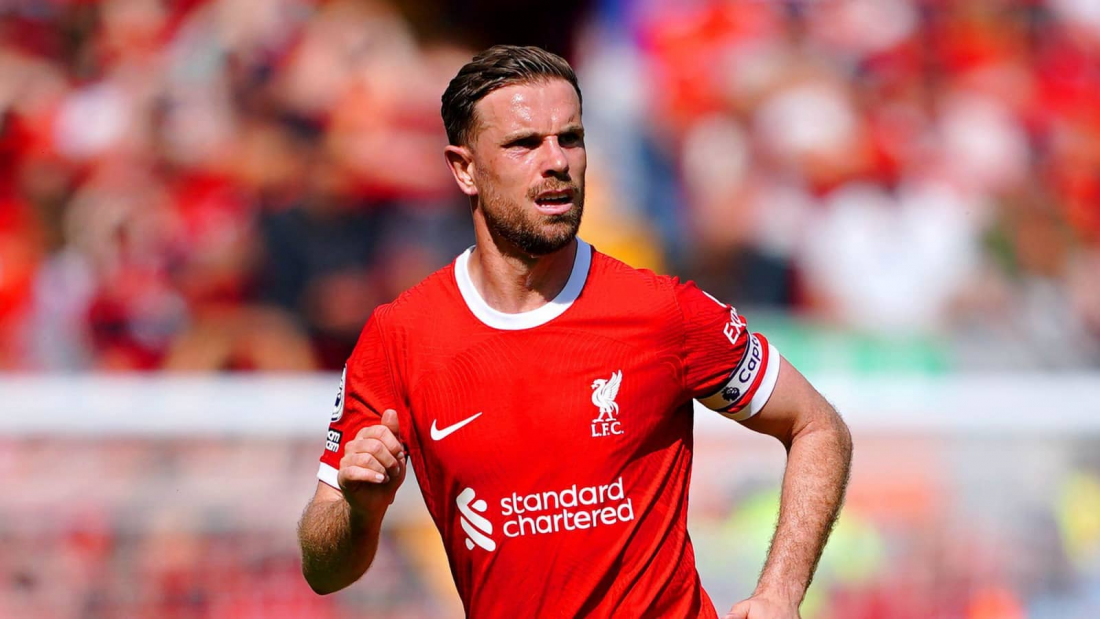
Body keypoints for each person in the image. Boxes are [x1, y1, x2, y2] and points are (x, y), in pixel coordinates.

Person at [297, 45, 852, 619]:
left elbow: (816, 425)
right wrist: (361, 511)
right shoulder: (401, 336)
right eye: (524, 144)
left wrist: (780, 592)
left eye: (570, 138)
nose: (556, 161)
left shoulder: (661, 310)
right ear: (464, 169)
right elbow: (323, 570)